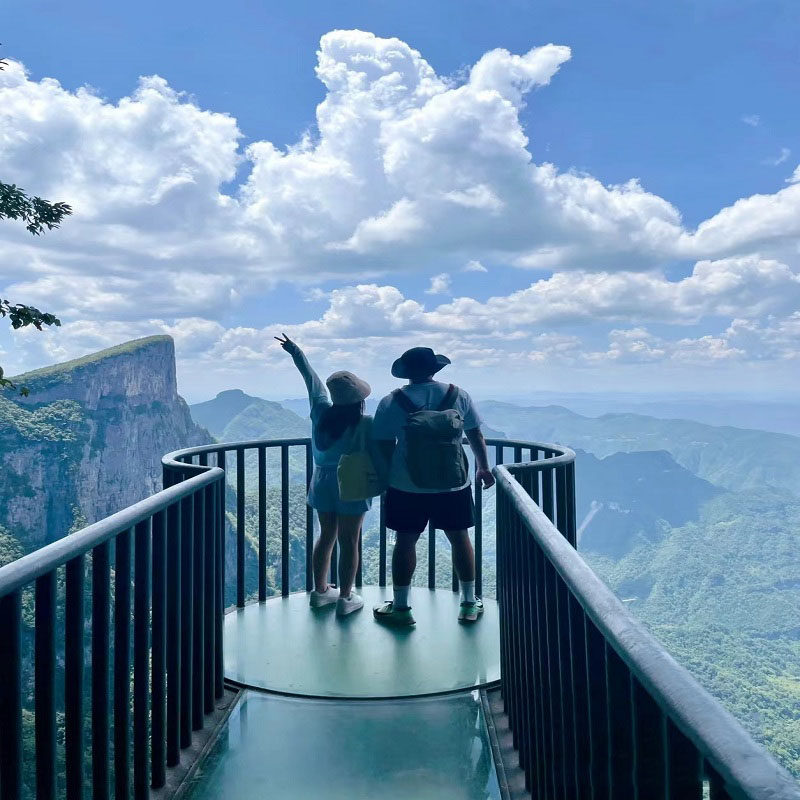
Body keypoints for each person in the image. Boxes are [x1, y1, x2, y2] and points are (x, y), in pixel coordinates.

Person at [371, 347, 495, 626]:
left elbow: (381, 442)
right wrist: (483, 467)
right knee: (459, 539)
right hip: (453, 483)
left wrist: (384, 477)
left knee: (405, 541)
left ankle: (401, 607)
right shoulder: (458, 395)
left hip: (406, 484)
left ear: (406, 372)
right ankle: (468, 603)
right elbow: (475, 432)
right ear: (434, 369)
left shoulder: (392, 401)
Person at [276, 333, 375, 616]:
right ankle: (345, 597)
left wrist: (295, 351)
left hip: (320, 481)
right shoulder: (365, 423)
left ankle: (320, 591)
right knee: (350, 540)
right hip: (352, 483)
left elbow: (312, 380)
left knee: (326, 535)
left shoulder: (320, 410)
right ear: (359, 400)